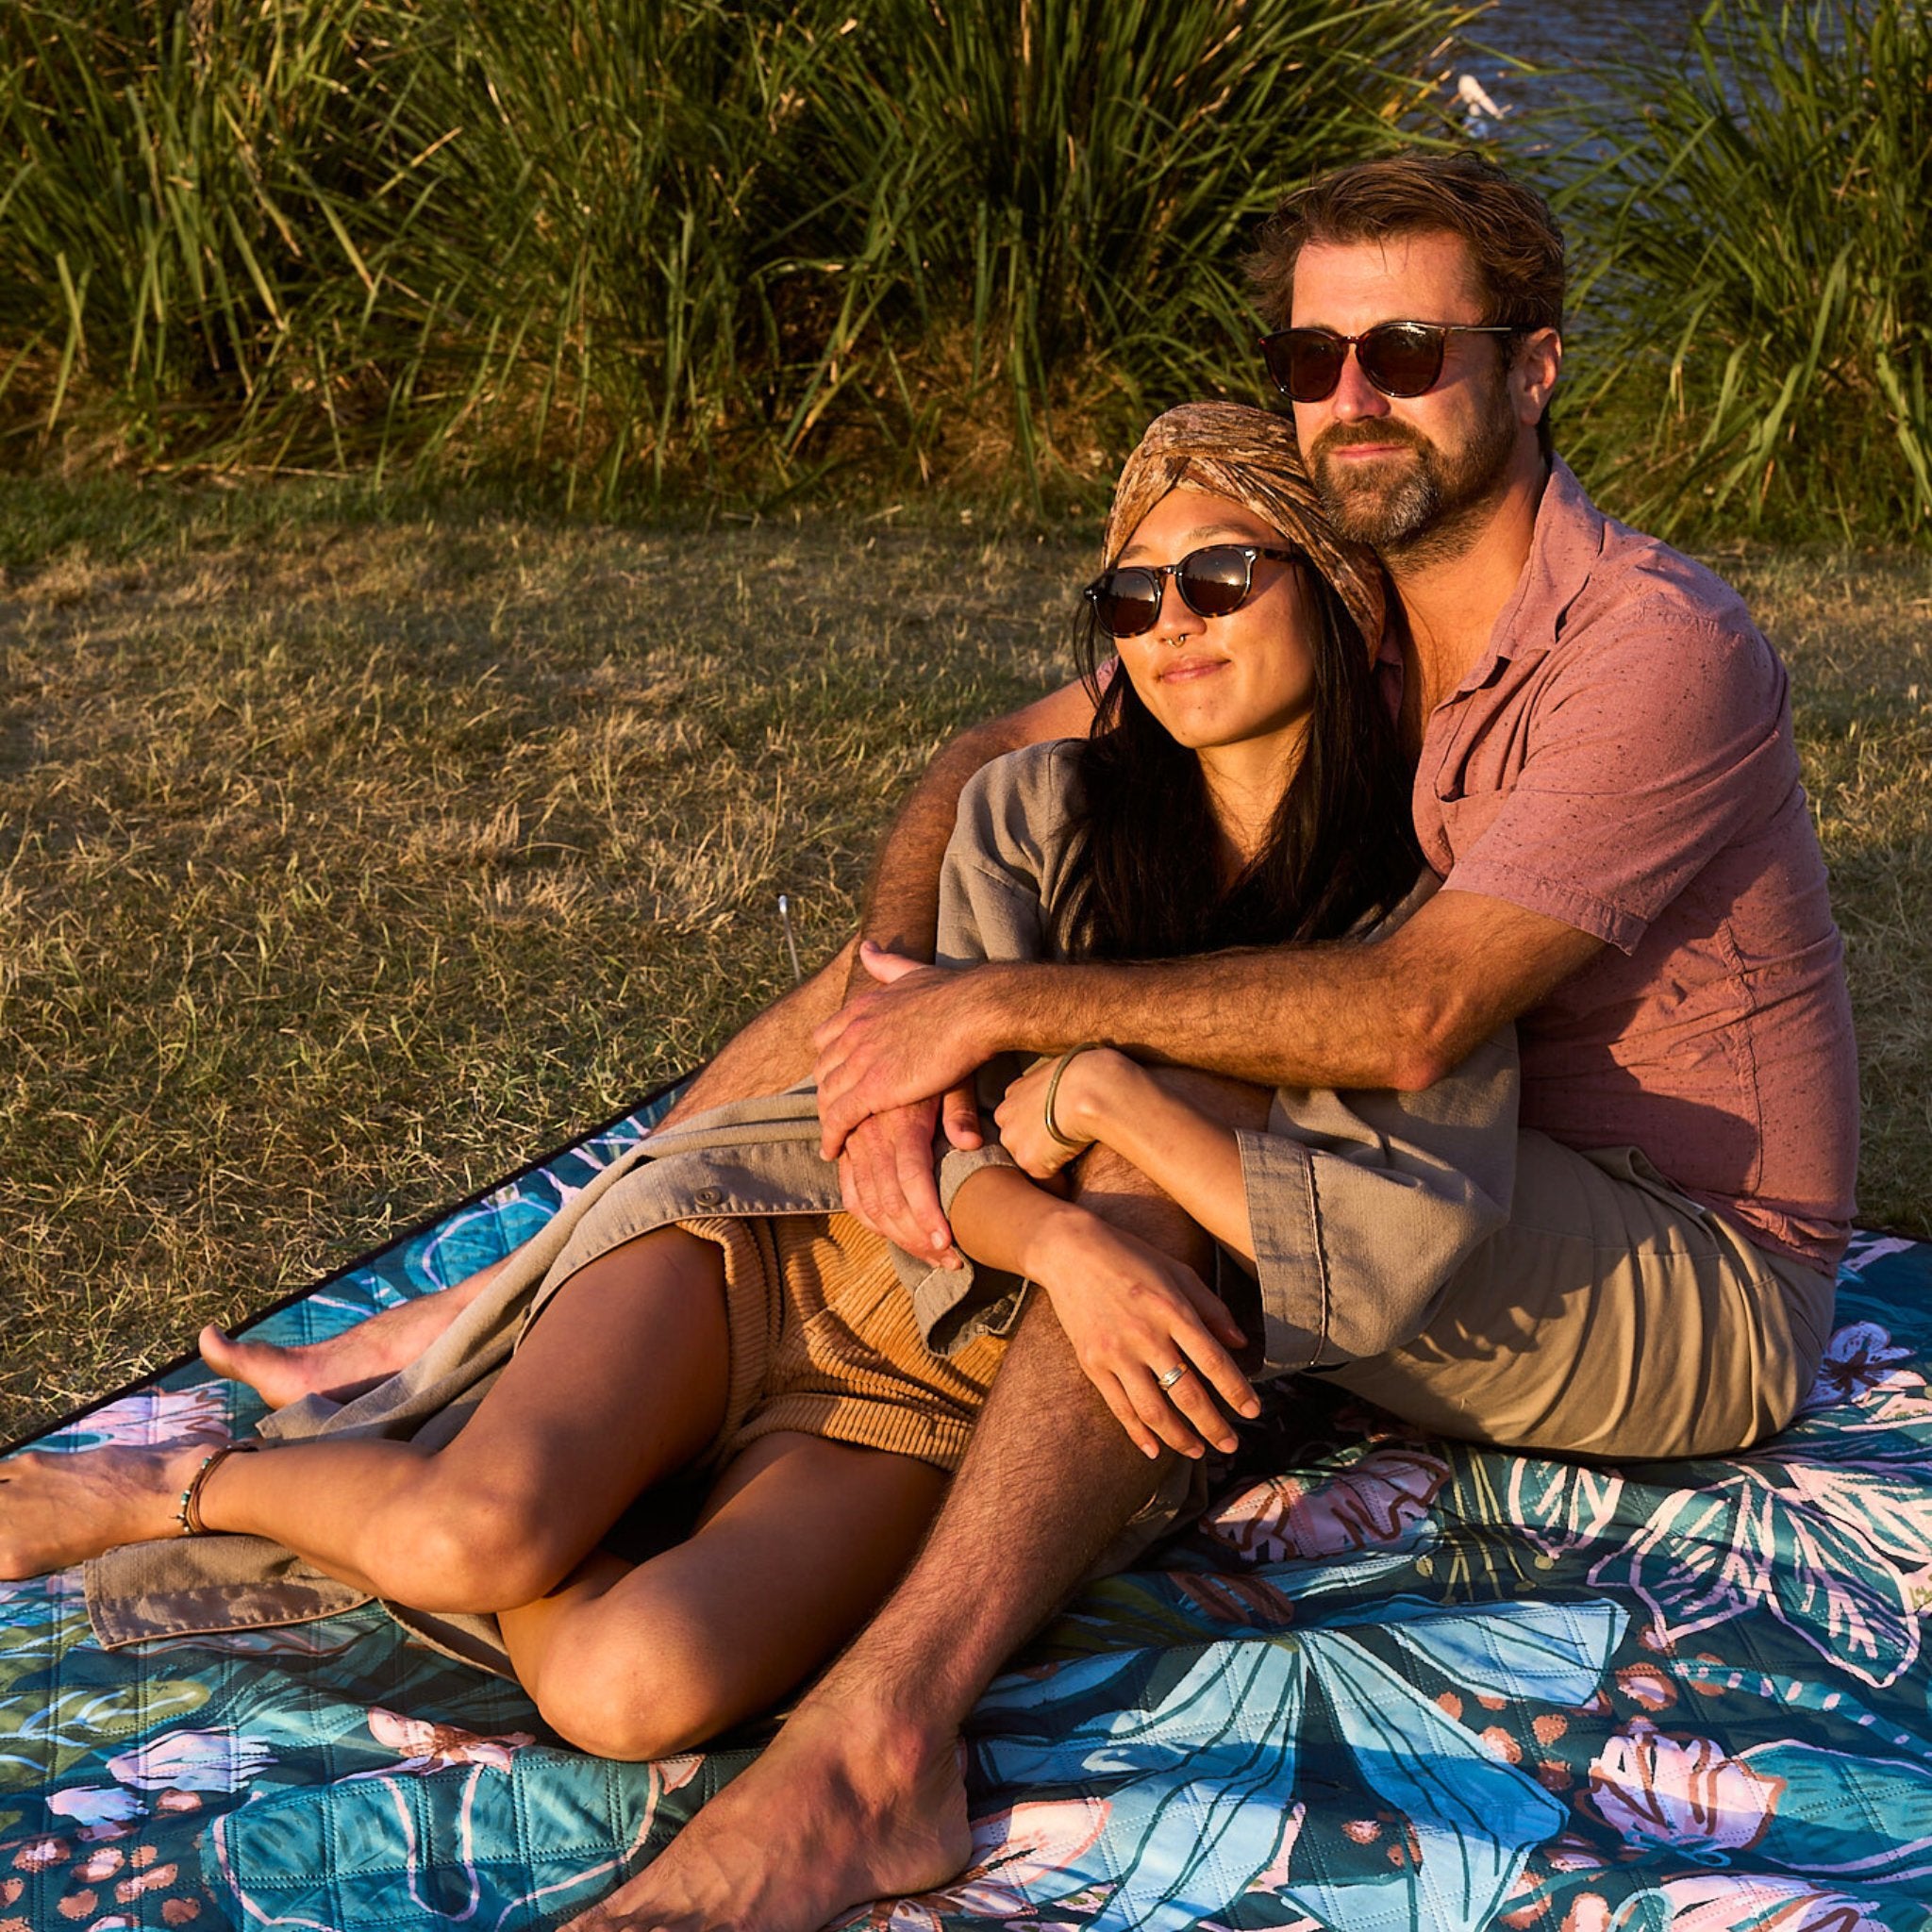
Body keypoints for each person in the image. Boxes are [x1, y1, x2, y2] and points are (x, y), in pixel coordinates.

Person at [550, 150, 1857, 1932]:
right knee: (946, 1020)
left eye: (1404, 352)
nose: (1348, 401)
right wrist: (894, 980)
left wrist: (1025, 1021)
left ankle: (873, 1751)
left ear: (1534, 369)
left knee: (1169, 1172)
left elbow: (1414, 1019)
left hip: (1678, 1273)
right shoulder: (1345, 603)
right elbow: (987, 760)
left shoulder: (1652, 647)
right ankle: (536, 1301)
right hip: (1437, 1159)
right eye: (1311, 359)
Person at [2, 408, 1511, 1774]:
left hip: (934, 1399)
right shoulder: (1041, 812)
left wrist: (1116, 1129)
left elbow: (1360, 1236)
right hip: (774, 1239)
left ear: (1331, 583)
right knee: (478, 1532)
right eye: (1132, 596)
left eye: (1222, 579)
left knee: (628, 1686)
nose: (1171, 625)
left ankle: (611, 1485)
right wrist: (1062, 1220)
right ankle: (172, 1485)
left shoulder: (1394, 923)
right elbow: (920, 1137)